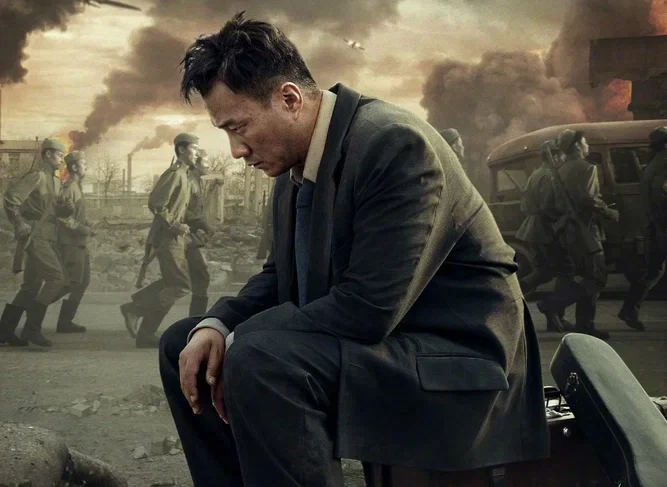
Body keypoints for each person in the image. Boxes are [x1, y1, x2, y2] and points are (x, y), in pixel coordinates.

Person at [159, 13, 549, 487]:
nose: (236, 150)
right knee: (184, 345)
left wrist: (240, 339)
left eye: (239, 127)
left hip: (458, 364)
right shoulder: (292, 163)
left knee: (260, 357)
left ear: (289, 99)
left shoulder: (394, 144)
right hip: (385, 346)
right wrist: (216, 325)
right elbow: (280, 277)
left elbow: (369, 309)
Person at [537, 129, 619, 340]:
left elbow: (550, 205)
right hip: (586, 230)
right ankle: (552, 304)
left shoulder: (558, 171)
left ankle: (585, 325)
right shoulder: (588, 168)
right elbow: (589, 200)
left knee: (588, 277)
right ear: (576, 146)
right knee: (597, 278)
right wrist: (610, 213)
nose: (587, 146)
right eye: (585, 142)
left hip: (568, 233)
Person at [120, 133, 198, 348]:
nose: (197, 153)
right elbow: (156, 203)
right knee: (180, 285)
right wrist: (175, 225)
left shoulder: (184, 174)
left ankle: (144, 331)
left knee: (172, 283)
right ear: (182, 150)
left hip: (175, 237)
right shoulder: (174, 174)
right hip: (168, 237)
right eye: (194, 148)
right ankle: (135, 310)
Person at [0, 138, 69, 347]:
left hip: (48, 236)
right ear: (48, 154)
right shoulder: (36, 176)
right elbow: (11, 199)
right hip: (35, 235)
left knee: (31, 286)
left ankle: (4, 331)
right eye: (59, 155)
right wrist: (19, 222)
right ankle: (32, 328)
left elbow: (51, 209)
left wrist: (64, 209)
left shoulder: (56, 181)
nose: (62, 159)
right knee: (56, 278)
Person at [516, 140, 574, 332]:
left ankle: (512, 295)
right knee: (567, 270)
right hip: (547, 229)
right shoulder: (550, 176)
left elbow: (524, 206)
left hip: (533, 229)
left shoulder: (534, 175)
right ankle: (553, 310)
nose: (563, 159)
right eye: (561, 155)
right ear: (555, 156)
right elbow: (551, 206)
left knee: (543, 271)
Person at [618, 126, 667, 330]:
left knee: (653, 272)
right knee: (653, 271)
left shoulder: (653, 164)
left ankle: (630, 309)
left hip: (654, 227)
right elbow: (660, 195)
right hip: (662, 227)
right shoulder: (664, 164)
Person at [55, 150, 94, 334]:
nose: (86, 166)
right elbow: (63, 217)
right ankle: (36, 306)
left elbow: (75, 215)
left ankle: (65, 321)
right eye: (83, 163)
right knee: (71, 282)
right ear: (74, 167)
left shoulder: (77, 186)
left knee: (83, 281)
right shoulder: (69, 187)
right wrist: (84, 229)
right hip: (70, 242)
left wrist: (87, 224)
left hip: (79, 242)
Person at [184, 149, 213, 316]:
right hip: (183, 236)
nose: (208, 166)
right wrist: (203, 224)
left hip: (192, 236)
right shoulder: (188, 182)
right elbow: (182, 210)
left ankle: (196, 318)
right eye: (206, 162)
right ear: (195, 163)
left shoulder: (198, 181)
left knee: (198, 277)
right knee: (199, 277)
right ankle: (195, 319)